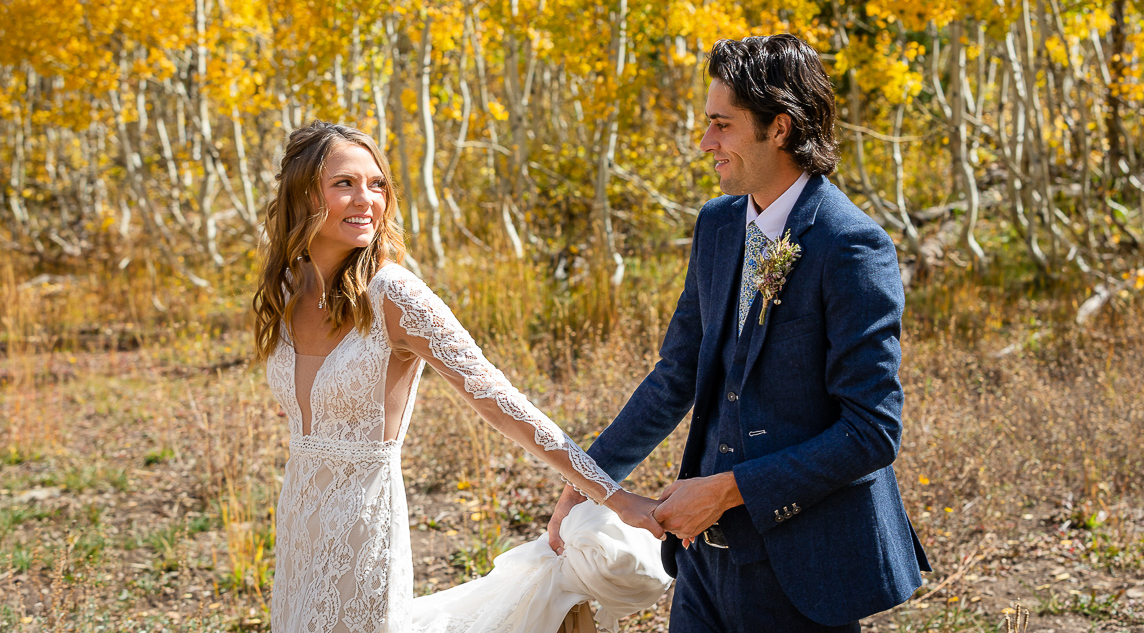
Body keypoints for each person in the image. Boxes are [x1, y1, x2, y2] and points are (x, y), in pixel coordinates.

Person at [549, 34, 931, 632]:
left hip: (804, 570)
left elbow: (872, 432)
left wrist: (727, 490)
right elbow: (676, 375)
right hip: (702, 564)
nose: (706, 143)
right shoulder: (719, 224)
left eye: (722, 125)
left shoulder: (851, 245)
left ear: (779, 127)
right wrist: (587, 481)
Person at [253, 121, 667, 633]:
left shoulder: (395, 295)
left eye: (377, 184)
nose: (367, 199)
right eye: (345, 183)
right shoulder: (290, 289)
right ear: (302, 194)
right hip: (297, 520)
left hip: (363, 529)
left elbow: (499, 400)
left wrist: (612, 494)